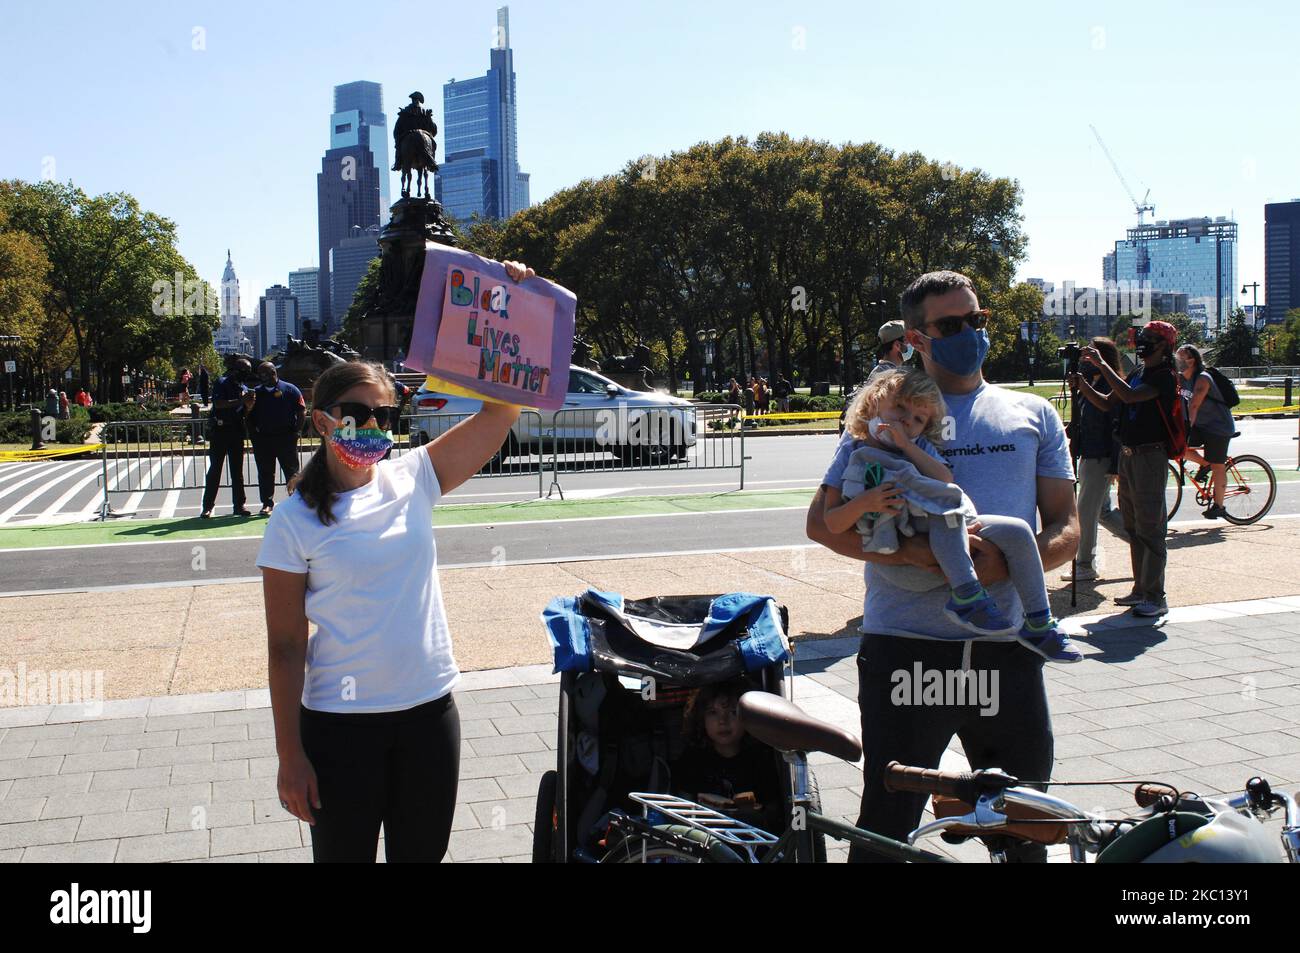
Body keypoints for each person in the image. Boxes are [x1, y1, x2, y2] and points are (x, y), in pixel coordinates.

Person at [258, 260, 534, 864]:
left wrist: (503, 301)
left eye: (386, 415)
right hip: (338, 728)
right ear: (321, 418)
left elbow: (500, 414)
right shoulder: (294, 522)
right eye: (358, 414)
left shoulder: (415, 477)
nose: (373, 427)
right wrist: (289, 757)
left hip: (428, 718)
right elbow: (284, 647)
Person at [806, 270, 1078, 863]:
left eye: (976, 321)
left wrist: (1007, 569)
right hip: (906, 650)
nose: (969, 334)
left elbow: (1067, 527)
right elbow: (819, 526)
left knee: (1024, 823)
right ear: (917, 337)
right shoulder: (885, 413)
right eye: (951, 325)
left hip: (1007, 651)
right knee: (887, 824)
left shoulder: (1033, 412)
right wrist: (920, 556)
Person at [826, 368, 1079, 662]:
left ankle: (1039, 622)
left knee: (1018, 531)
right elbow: (831, 523)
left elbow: (945, 479)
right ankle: (967, 595)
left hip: (953, 528)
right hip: (904, 558)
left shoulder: (918, 446)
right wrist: (864, 503)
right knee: (945, 509)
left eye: (919, 419)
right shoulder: (857, 452)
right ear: (873, 404)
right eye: (900, 408)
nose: (908, 420)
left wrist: (908, 446)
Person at [1072, 320, 1180, 618]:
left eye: (1150, 338)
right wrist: (1082, 385)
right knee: (1133, 526)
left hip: (1150, 456)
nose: (1142, 342)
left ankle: (1156, 596)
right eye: (1142, 336)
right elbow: (1108, 403)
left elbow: (1130, 396)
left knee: (1150, 528)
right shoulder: (1139, 372)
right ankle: (1140, 588)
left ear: (1164, 345)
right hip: (1129, 456)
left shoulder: (1164, 376)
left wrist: (1101, 363)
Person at [674, 680, 780, 831]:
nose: (723, 721)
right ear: (701, 719)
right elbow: (682, 806)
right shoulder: (693, 759)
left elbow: (772, 811)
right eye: (713, 712)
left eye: (733, 712)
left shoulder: (760, 759)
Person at [1067, 337, 1126, 581]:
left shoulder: (1112, 386)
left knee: (1085, 512)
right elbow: (1080, 420)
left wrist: (1115, 464)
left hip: (1101, 456)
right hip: (1089, 453)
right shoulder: (1091, 382)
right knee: (1103, 511)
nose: (1083, 358)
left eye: (1089, 354)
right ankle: (1145, 543)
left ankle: (1085, 564)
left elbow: (1116, 426)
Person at [1176, 344, 1234, 520]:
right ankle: (1205, 463)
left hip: (1218, 426)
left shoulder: (1203, 378)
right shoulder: (1181, 378)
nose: (1175, 361)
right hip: (1201, 425)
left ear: (1191, 360)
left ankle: (1219, 506)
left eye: (1179, 358)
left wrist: (1187, 429)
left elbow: (1194, 405)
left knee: (1218, 465)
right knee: (1177, 447)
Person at [248, 362, 306, 516]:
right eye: (260, 375)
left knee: (292, 471)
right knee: (265, 472)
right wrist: (254, 435)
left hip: (286, 437)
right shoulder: (256, 393)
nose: (263, 378)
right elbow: (249, 415)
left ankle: (296, 501)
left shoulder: (290, 389)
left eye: (266, 374)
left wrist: (296, 432)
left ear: (274, 373)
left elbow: (301, 411)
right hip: (264, 439)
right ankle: (267, 504)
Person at [201, 357, 255, 519]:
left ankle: (239, 505)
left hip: (236, 431)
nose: (246, 375)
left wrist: (249, 406)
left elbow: (244, 412)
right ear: (236, 370)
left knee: (237, 472)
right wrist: (241, 400)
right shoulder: (222, 382)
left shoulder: (244, 387)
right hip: (220, 431)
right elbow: (218, 404)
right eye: (244, 371)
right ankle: (207, 506)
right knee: (215, 470)